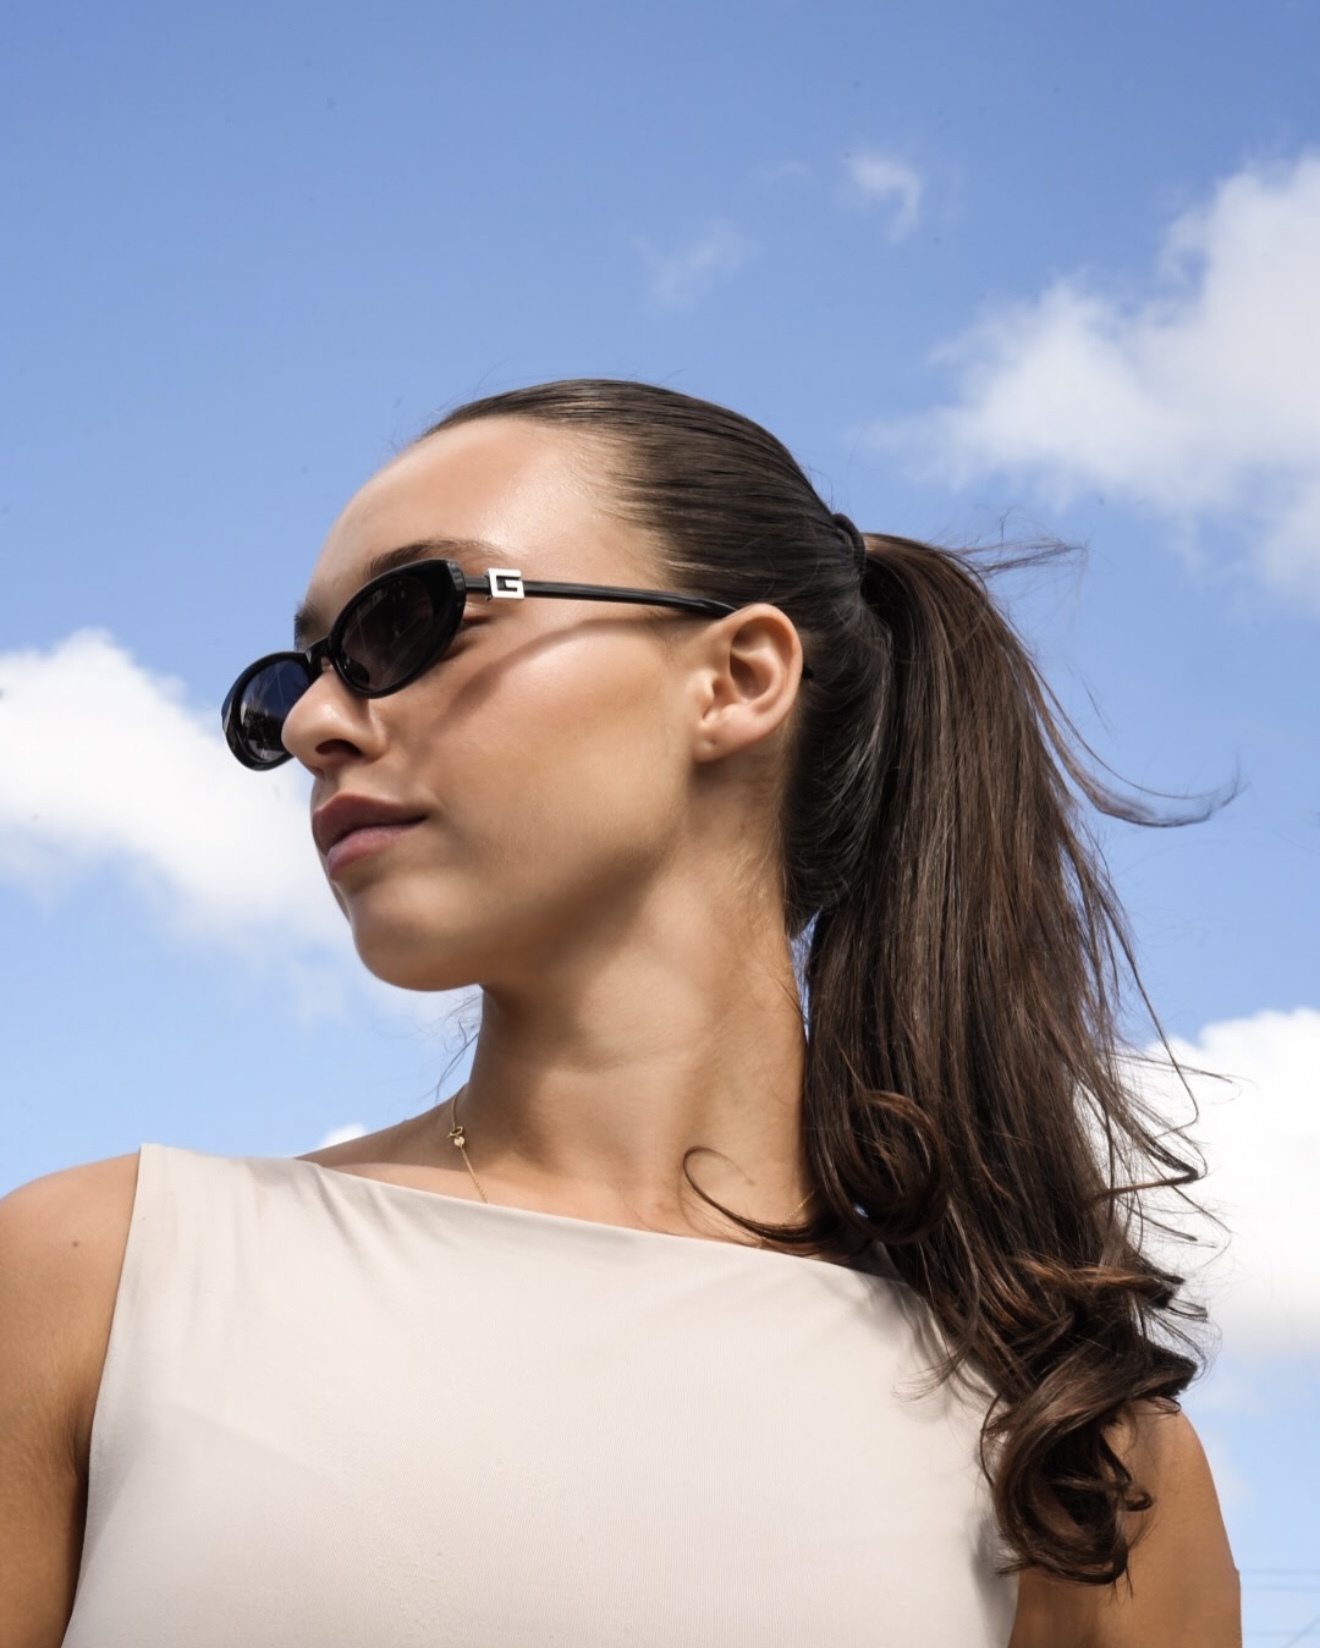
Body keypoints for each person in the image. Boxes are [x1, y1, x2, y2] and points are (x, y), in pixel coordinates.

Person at [0, 380, 1239, 1646]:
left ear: (738, 679)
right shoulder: (97, 1280)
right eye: (289, 682)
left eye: (409, 619)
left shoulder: (1073, 1454)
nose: (316, 723)